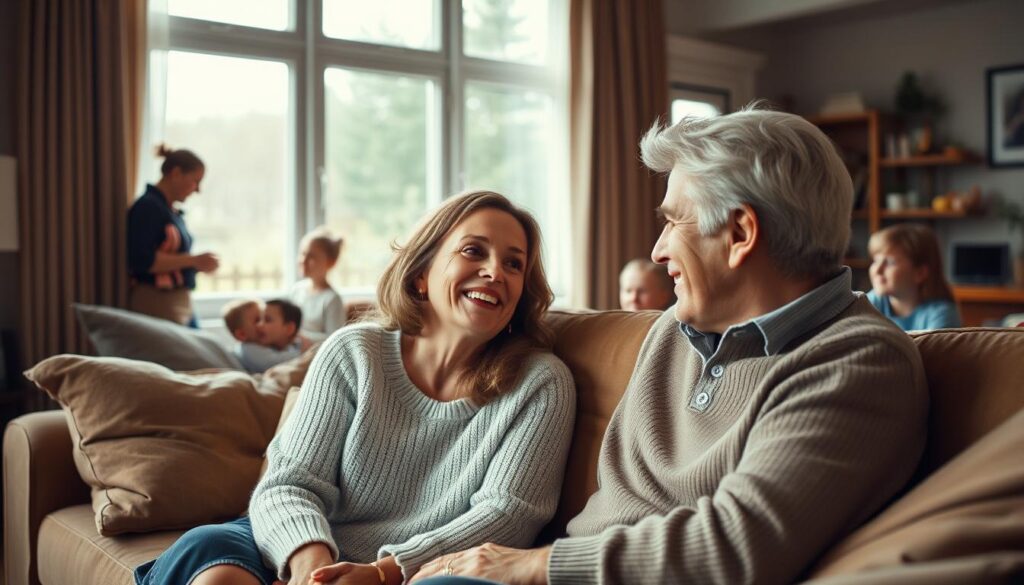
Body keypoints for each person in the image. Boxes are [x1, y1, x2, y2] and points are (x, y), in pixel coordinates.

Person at [411, 106, 929, 585]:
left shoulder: (858, 362)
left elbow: (738, 545)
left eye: (672, 220)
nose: (658, 250)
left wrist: (534, 566)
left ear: (740, 233)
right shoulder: (671, 332)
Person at [134, 190, 576, 585]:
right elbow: (289, 483)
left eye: (513, 263)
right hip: (305, 542)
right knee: (213, 559)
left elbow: (507, 515)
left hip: (421, 569)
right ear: (421, 274)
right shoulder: (354, 351)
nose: (495, 271)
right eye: (473, 251)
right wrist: (313, 567)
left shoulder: (540, 384)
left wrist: (385, 572)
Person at [127, 145, 219, 327]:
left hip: (176, 299)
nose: (197, 190)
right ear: (176, 173)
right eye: (195, 181)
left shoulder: (170, 211)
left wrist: (195, 264)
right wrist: (192, 261)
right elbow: (142, 260)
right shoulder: (148, 208)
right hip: (158, 299)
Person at [867, 223, 961, 331]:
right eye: (876, 261)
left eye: (889, 262)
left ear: (920, 273)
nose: (878, 270)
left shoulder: (942, 314)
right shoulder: (869, 303)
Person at [290, 227, 346, 344]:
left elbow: (335, 341)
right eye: (302, 254)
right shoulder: (297, 290)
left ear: (331, 262)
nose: (304, 260)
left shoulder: (332, 299)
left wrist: (299, 336)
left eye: (311, 257)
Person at [226, 299, 306, 373]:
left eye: (266, 320)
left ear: (289, 328)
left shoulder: (287, 344)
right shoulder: (248, 349)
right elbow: (276, 363)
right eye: (257, 320)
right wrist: (304, 353)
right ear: (242, 334)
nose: (260, 325)